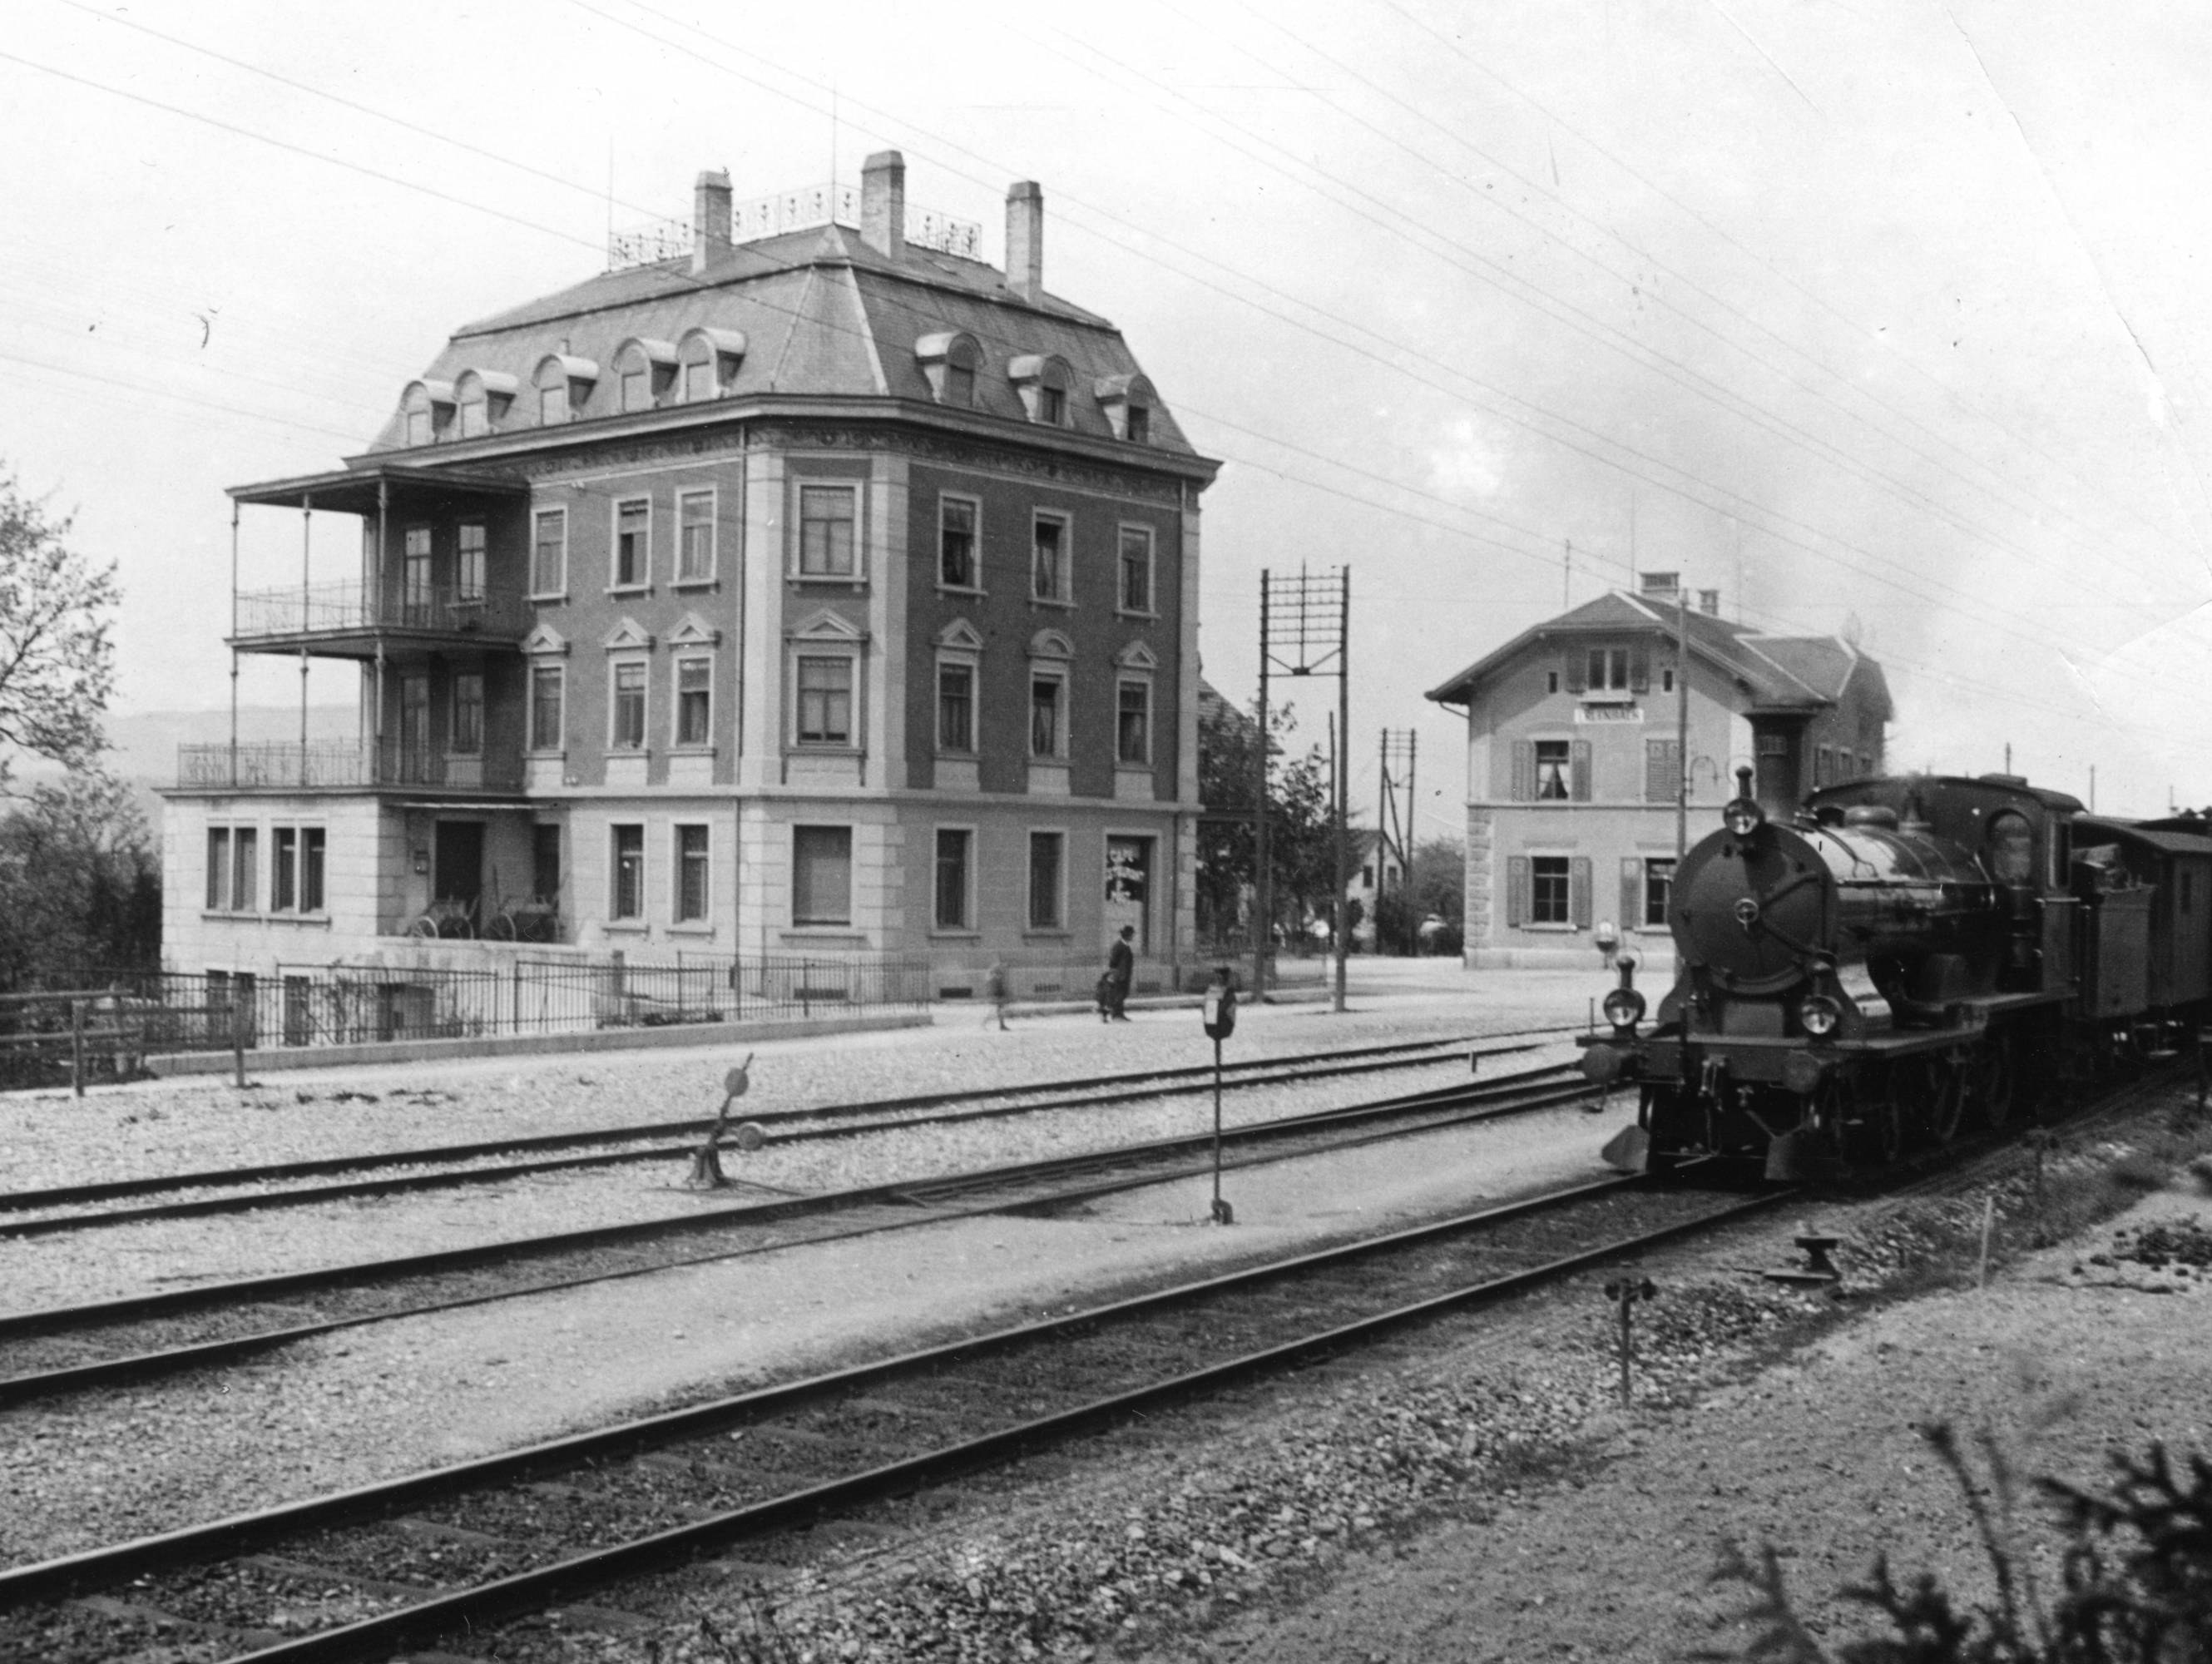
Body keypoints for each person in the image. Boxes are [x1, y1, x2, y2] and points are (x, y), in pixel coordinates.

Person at [1104, 924, 1136, 1022]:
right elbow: (1113, 961)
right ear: (1127, 935)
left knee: (1123, 994)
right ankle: (1116, 1015)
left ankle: (1120, 1014)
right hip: (1119, 975)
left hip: (1125, 975)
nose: (1132, 937)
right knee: (1118, 995)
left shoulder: (1125, 945)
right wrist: (1115, 973)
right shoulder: (1119, 946)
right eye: (1131, 935)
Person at [982, 958, 1010, 1031]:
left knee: (999, 1011)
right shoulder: (996, 976)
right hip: (998, 995)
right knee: (999, 1011)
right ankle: (987, 1023)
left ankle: (1001, 1025)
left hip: (999, 994)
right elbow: (996, 986)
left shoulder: (997, 976)